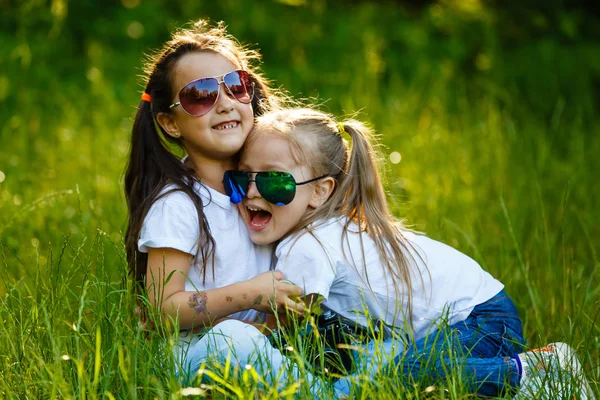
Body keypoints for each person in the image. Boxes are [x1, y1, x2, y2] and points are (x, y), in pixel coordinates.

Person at [224, 107, 596, 398]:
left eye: (274, 180)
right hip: (480, 310)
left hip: (479, 318)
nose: (254, 191)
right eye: (242, 178)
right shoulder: (326, 227)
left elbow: (278, 330)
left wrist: (211, 333)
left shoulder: (309, 245)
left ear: (320, 192)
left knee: (403, 378)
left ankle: (537, 371)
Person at [123, 20, 332, 394]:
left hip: (262, 343)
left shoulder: (267, 188)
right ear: (171, 123)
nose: (224, 103)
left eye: (235, 86)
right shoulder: (178, 204)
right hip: (194, 356)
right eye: (200, 95)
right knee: (234, 338)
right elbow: (161, 309)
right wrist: (250, 293)